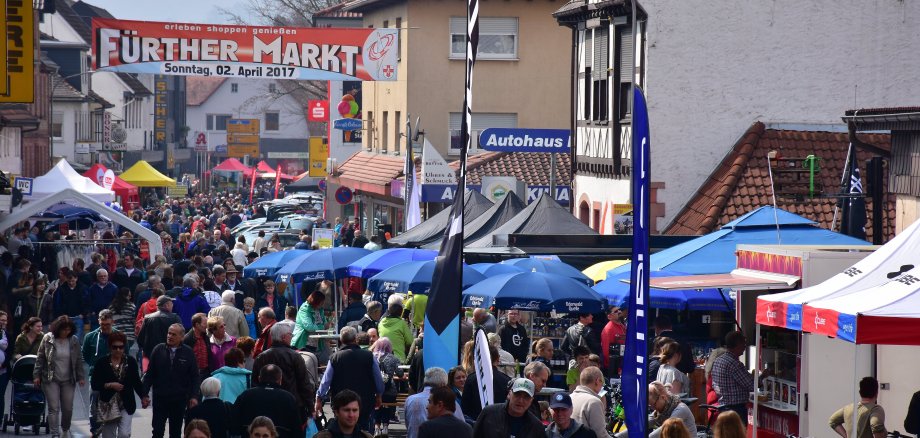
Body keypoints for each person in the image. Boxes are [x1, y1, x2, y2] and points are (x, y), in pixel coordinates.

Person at [316, 326, 384, 432]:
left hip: (341, 402)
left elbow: (326, 381)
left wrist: (319, 398)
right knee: (363, 430)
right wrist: (379, 395)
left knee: (341, 430)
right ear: (355, 338)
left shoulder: (335, 357)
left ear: (341, 339)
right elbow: (378, 379)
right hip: (364, 401)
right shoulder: (369, 356)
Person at [143, 323, 201, 438]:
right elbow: (149, 374)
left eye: (174, 334)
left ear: (181, 337)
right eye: (169, 333)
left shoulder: (188, 352)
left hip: (179, 400)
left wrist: (194, 396)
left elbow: (195, 376)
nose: (170, 336)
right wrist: (144, 394)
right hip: (160, 399)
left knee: (175, 432)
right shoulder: (158, 350)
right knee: (157, 431)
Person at [34, 316, 85, 438]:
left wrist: (80, 376)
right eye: (64, 329)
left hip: (68, 379)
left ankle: (65, 429)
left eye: (68, 330)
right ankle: (55, 433)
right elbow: (40, 358)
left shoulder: (73, 340)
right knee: (53, 407)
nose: (66, 332)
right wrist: (36, 375)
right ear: (58, 329)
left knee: (67, 408)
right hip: (51, 378)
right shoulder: (48, 338)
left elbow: (78, 359)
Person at [251, 320, 313, 420]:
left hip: (266, 405)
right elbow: (304, 383)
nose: (292, 336)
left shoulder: (261, 357)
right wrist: (310, 407)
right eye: (290, 334)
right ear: (284, 337)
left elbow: (254, 383)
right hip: (291, 405)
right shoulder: (295, 356)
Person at [91, 330, 147, 438]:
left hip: (126, 404)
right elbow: (95, 384)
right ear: (110, 347)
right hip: (108, 405)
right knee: (108, 436)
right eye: (115, 347)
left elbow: (136, 382)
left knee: (124, 434)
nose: (118, 350)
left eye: (121, 347)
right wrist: (110, 385)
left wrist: (143, 396)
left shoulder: (130, 362)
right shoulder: (102, 363)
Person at [232, 364, 301, 438]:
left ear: (259, 378)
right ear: (280, 380)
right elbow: (297, 430)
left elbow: (234, 424)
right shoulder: (289, 399)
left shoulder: (245, 395)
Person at [711, 331, 757, 425]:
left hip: (722, 406)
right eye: (744, 344)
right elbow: (752, 385)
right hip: (735, 409)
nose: (745, 347)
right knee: (737, 432)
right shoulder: (735, 364)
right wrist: (762, 377)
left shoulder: (718, 360)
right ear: (738, 345)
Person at [472, 378, 543, 438]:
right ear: (509, 394)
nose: (521, 400)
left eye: (526, 397)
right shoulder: (489, 414)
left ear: (531, 400)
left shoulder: (536, 427)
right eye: (517, 394)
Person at [405, 367, 465, 438]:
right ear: (443, 384)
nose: (427, 406)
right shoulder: (449, 401)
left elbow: (407, 424)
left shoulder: (410, 400)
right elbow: (461, 425)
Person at [461, 344, 512, 421]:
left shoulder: (471, 379)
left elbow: (465, 407)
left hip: (475, 423)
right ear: (498, 359)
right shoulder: (506, 380)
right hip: (498, 422)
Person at [138, 296, 183, 367]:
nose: (172, 306)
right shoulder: (175, 318)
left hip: (150, 356)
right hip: (169, 357)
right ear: (167, 305)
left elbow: (140, 339)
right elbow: (181, 337)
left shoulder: (147, 318)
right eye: (171, 304)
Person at [570, 366, 613, 438]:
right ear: (597, 381)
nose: (602, 387)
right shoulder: (593, 402)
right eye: (602, 383)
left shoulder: (570, 397)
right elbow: (600, 435)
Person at [371, 337, 401, 437]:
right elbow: (400, 373)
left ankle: (376, 428)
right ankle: (385, 427)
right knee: (386, 405)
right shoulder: (393, 358)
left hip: (374, 390)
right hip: (389, 390)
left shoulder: (371, 357)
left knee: (376, 406)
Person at [52, 271, 88, 341]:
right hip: (66, 318)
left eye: (73, 281)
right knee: (66, 338)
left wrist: (84, 313)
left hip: (78, 317)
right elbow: (57, 304)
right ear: (66, 279)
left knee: (77, 339)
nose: (71, 283)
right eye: (69, 281)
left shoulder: (83, 288)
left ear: (76, 279)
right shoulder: (61, 290)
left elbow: (87, 301)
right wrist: (62, 314)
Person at [378, 295, 412, 362]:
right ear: (400, 310)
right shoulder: (402, 323)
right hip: (398, 360)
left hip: (383, 360)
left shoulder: (381, 322)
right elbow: (410, 342)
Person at [184, 313, 213, 381]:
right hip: (193, 375)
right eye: (205, 324)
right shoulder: (187, 339)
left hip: (206, 373)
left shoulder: (206, 337)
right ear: (197, 325)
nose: (206, 326)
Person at [600, 306, 626, 370]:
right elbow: (606, 351)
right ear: (609, 316)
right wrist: (616, 367)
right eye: (616, 311)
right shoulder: (608, 329)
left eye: (619, 310)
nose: (619, 312)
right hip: (614, 367)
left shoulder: (622, 325)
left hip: (623, 363)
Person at [0, 312, 13, 424]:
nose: (4, 322)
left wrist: (3, 364)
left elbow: (10, 353)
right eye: (2, 320)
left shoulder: (8, 335)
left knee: (0, 395)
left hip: (3, 371)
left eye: (5, 320)